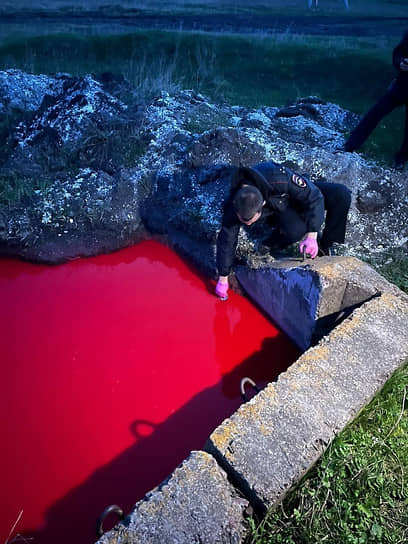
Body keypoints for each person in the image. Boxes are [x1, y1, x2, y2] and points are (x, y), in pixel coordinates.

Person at [215, 161, 351, 300]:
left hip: (288, 197)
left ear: (261, 205)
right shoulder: (234, 203)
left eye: (249, 221)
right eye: (243, 221)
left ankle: (325, 246)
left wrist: (312, 236)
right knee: (296, 230)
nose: (247, 224)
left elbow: (314, 196)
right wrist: (223, 277)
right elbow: (227, 239)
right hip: (279, 209)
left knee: (341, 195)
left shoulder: (279, 178)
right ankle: (269, 245)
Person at [343, 31, 408, 170]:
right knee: (374, 113)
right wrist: (400, 63)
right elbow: (398, 52)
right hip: (401, 86)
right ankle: (351, 144)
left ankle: (401, 159)